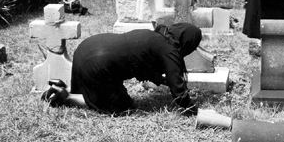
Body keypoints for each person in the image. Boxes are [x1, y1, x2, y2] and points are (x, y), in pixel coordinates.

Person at [41, 22, 202, 116]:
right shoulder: (170, 50)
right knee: (123, 107)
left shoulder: (156, 36)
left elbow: (143, 66)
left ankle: (63, 87)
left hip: (86, 48)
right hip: (98, 63)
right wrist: (192, 109)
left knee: (96, 90)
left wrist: (161, 80)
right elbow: (179, 91)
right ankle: (66, 97)